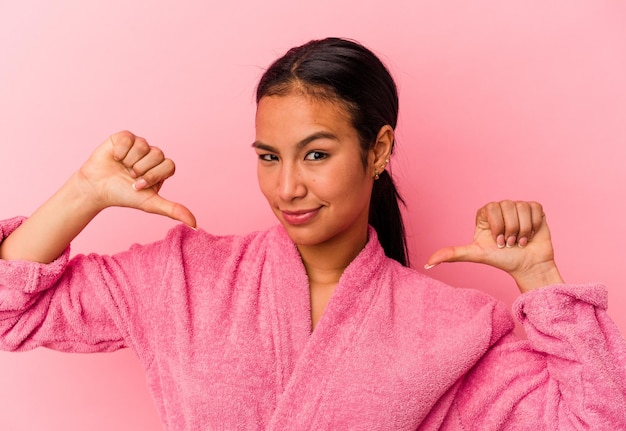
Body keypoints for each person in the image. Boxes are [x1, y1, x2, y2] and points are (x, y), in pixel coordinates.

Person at [0, 37, 624, 430]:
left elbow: (598, 420)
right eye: (269, 157)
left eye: (316, 155)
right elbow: (8, 311)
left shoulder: (455, 329)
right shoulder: (183, 277)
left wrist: (541, 281)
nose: (287, 187)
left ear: (378, 149)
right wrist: (83, 192)